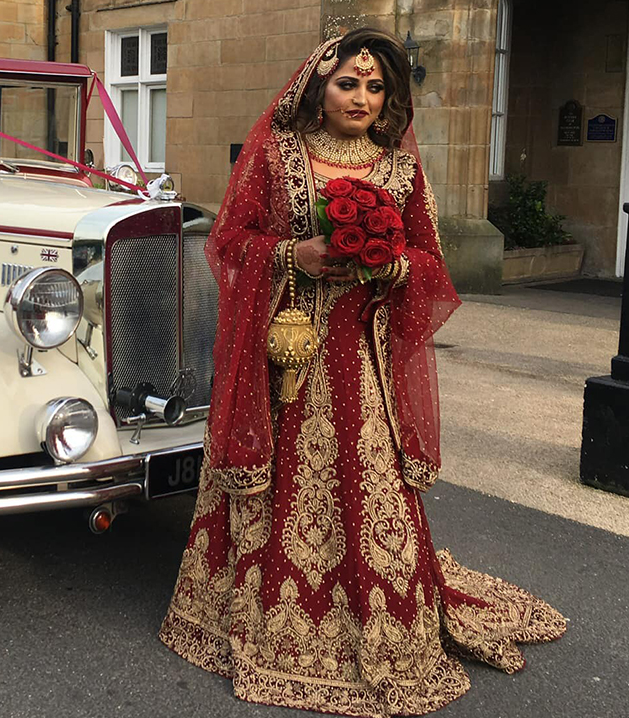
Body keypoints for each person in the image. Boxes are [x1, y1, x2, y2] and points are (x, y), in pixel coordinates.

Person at [159, 29, 566, 716]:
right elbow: (229, 241)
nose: (362, 97)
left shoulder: (399, 169)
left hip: (360, 356)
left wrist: (389, 264)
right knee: (276, 478)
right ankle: (257, 621)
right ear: (319, 85)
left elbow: (431, 265)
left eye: (375, 86)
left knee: (367, 476)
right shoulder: (278, 154)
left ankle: (377, 625)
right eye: (349, 82)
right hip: (284, 354)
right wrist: (295, 255)